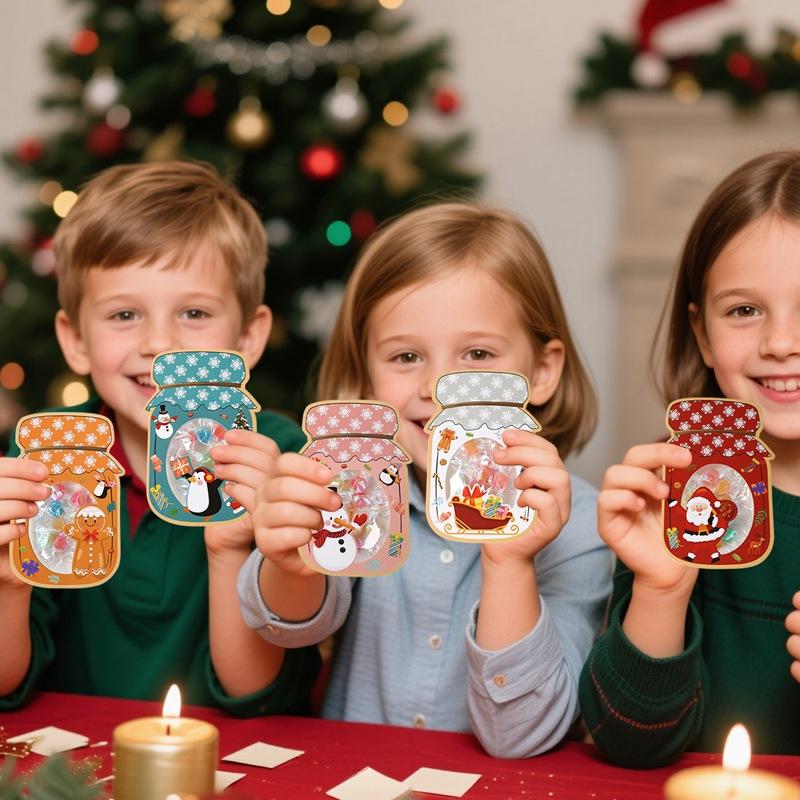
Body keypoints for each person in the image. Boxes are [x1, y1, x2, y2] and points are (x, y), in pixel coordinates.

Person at [238, 202, 611, 757]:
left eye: (477, 353)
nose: (438, 387)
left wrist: (509, 562)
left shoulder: (581, 525)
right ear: (366, 379)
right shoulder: (352, 489)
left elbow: (520, 735)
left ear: (541, 371)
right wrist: (290, 563)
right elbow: (289, 629)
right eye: (406, 356)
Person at [0, 161, 319, 715]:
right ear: (76, 341)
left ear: (248, 338)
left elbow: (252, 695)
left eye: (194, 312)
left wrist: (230, 548)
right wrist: (8, 583)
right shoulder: (48, 455)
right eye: (125, 314)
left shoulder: (279, 460)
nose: (160, 344)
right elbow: (5, 685)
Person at [579, 150, 800, 765]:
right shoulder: (677, 492)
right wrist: (661, 589)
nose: (781, 342)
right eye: (744, 311)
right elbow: (630, 742)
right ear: (702, 334)